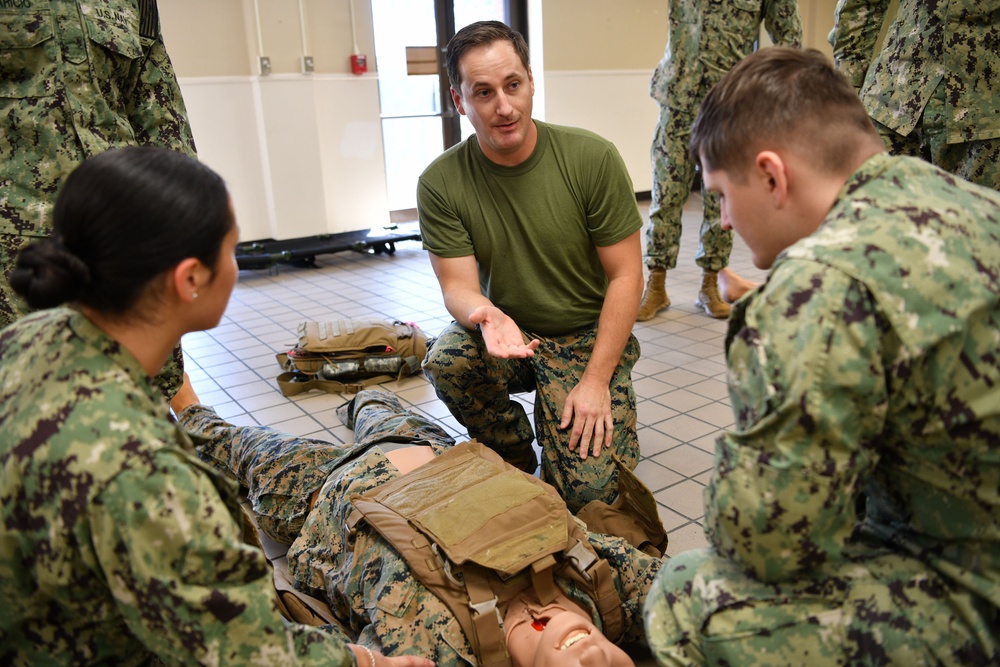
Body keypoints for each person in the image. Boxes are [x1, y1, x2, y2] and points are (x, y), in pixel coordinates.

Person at [0, 147, 430, 667]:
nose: (236, 260)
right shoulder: (142, 473)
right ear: (190, 279)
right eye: (232, 247)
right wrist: (373, 663)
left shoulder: (31, 337)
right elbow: (249, 653)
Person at [642, 47, 1000, 665]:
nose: (723, 221)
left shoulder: (819, 288)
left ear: (773, 176)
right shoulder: (974, 203)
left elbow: (767, 546)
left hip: (974, 594)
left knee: (686, 597)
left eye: (722, 195)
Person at [171, 381, 663, 666]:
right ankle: (360, 394)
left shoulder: (435, 650)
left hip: (325, 489)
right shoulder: (600, 584)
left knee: (229, 443)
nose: (594, 660)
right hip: (427, 450)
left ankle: (183, 398)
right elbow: (701, 599)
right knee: (375, 401)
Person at [416, 20, 645, 514]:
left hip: (586, 338)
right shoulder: (441, 182)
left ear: (530, 81)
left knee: (593, 499)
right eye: (483, 92)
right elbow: (457, 286)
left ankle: (573, 419)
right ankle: (512, 451)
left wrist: (596, 380)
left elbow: (628, 277)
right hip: (512, 337)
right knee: (447, 360)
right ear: (460, 102)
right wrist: (486, 314)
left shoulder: (592, 158)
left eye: (513, 85)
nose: (504, 107)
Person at [0, 0, 195, 398]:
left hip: (122, 243)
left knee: (141, 395)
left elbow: (157, 110)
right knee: (33, 409)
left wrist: (187, 220)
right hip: (15, 254)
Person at [637, 0, 802, 321]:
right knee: (665, 190)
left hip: (727, 100)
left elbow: (788, 37)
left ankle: (709, 284)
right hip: (678, 93)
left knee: (720, 198)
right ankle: (656, 284)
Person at [829, 0, 1000, 191]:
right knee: (870, 211)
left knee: (980, 218)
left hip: (986, 117)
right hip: (892, 101)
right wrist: (847, 84)